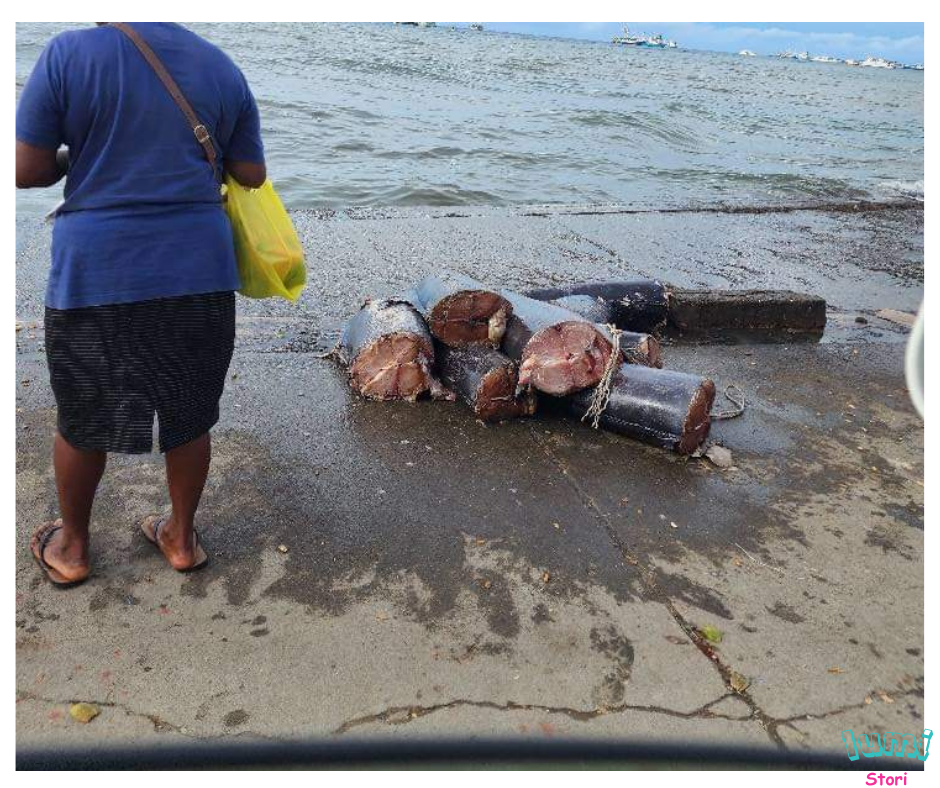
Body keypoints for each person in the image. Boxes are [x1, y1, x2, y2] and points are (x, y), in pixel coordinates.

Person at [16, 22, 266, 585]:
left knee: (82, 418)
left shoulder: (67, 54)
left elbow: (26, 169)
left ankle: (73, 548)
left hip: (97, 271)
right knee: (189, 412)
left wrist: (73, 158)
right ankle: (181, 538)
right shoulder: (220, 64)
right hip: (198, 269)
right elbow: (251, 173)